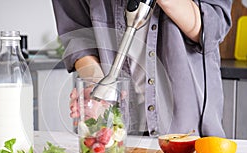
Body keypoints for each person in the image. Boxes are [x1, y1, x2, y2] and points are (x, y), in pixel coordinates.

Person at [51, 0, 232, 137]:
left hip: (186, 125)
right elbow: (78, 35)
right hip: (116, 133)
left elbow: (214, 26)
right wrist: (95, 83)